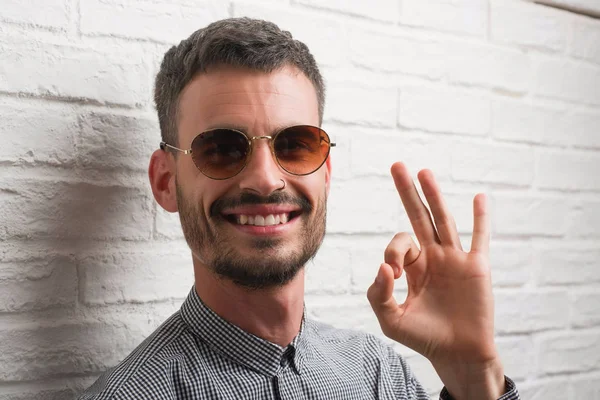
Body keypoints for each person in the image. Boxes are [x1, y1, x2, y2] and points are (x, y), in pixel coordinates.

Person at [78, 18, 520, 400]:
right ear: (166, 182)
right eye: (221, 149)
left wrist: (474, 377)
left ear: (325, 172)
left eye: (294, 145)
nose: (267, 179)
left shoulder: (377, 373)